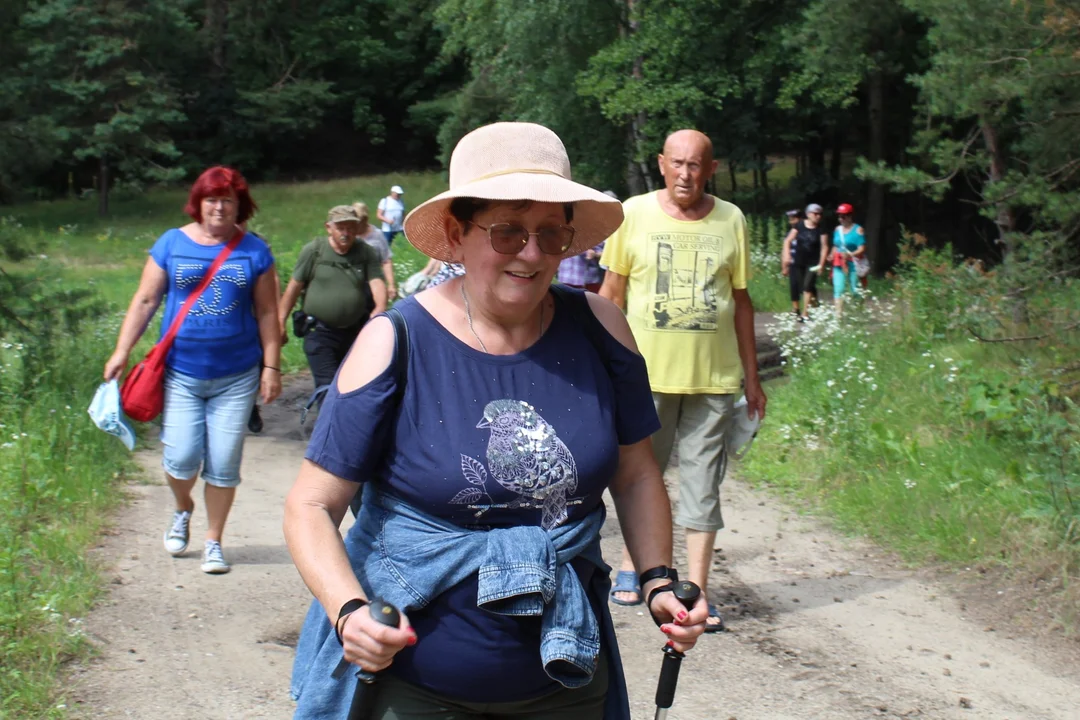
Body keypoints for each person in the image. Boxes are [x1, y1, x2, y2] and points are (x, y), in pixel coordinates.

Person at [284, 121, 708, 719]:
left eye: (551, 234)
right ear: (457, 234)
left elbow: (636, 473)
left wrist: (659, 581)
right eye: (507, 232)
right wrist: (348, 611)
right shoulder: (395, 341)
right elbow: (310, 505)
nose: (532, 254)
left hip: (566, 682)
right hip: (410, 687)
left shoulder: (602, 328)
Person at [599, 129, 767, 632]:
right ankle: (635, 565)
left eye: (696, 165)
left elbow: (740, 302)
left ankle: (696, 590)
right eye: (677, 164)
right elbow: (612, 291)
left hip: (714, 380)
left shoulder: (731, 219)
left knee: (703, 486)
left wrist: (752, 380)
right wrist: (602, 362)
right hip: (645, 378)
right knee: (637, 476)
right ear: (662, 164)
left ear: (710, 169)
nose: (686, 174)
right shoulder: (632, 214)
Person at [103, 166, 282, 575]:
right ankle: (182, 507)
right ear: (198, 203)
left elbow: (268, 311)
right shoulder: (171, 243)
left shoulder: (254, 251)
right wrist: (120, 350)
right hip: (181, 372)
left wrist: (271, 366)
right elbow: (146, 300)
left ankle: (213, 541)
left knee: (223, 462)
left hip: (237, 375)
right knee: (181, 457)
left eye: (228, 200)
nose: (219, 207)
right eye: (211, 199)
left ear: (240, 206)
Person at [279, 205, 388, 391]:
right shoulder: (314, 251)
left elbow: (376, 281)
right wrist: (280, 322)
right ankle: (328, 420)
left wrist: (380, 308)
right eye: (341, 228)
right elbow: (293, 288)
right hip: (319, 332)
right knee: (328, 387)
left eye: (351, 228)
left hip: (355, 332)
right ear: (329, 227)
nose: (346, 233)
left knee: (354, 386)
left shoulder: (365, 252)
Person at [557, 190, 615, 292]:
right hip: (569, 276)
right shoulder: (568, 219)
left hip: (590, 279)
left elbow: (610, 252)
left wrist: (596, 254)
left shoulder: (606, 227)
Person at [781, 203, 829, 321]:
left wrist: (821, 264)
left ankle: (805, 313)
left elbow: (824, 247)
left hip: (813, 262)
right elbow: (787, 241)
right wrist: (787, 255)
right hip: (798, 261)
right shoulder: (799, 225)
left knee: (808, 286)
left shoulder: (821, 229)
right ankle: (814, 305)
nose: (818, 216)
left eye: (820, 214)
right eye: (815, 214)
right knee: (802, 286)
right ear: (808, 214)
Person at [353, 202, 397, 298]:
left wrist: (391, 285)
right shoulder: (349, 236)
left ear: (365, 220)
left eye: (358, 222)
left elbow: (386, 261)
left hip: (374, 284)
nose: (355, 226)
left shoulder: (377, 235)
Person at [831, 202, 866, 313]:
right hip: (838, 262)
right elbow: (836, 245)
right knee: (838, 289)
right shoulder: (837, 230)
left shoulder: (858, 230)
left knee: (855, 290)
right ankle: (838, 317)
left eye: (843, 216)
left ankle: (858, 312)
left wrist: (851, 254)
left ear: (850, 216)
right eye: (839, 216)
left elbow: (862, 248)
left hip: (853, 263)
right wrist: (831, 254)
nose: (841, 218)